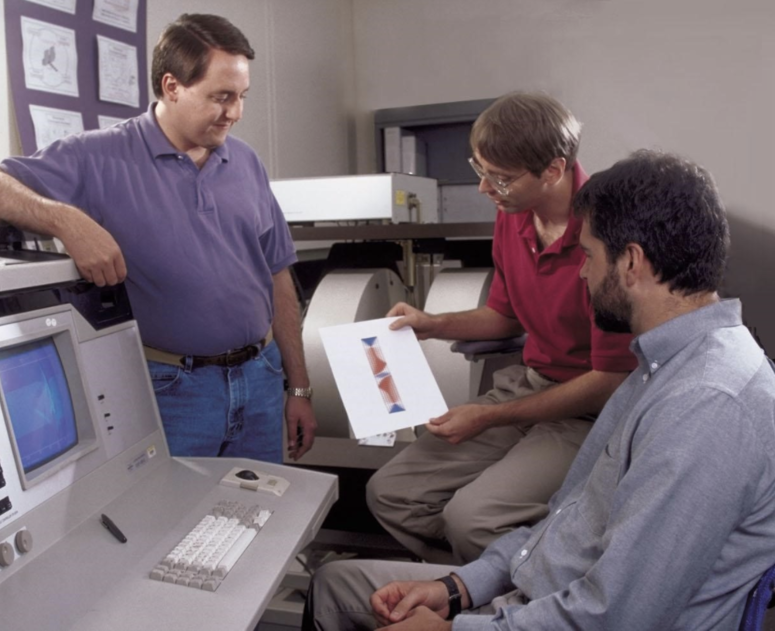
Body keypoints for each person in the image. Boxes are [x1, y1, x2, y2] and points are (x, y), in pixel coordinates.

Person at [304, 150, 775, 630]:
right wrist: (458, 587)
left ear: (631, 262)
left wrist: (454, 630)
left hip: (564, 616)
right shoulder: (659, 366)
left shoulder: (708, 404)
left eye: (588, 256)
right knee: (334, 586)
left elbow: (618, 616)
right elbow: (564, 521)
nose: (581, 273)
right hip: (536, 595)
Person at [0, 14, 316, 463]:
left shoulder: (245, 161)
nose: (235, 113)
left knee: (265, 521)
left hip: (261, 380)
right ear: (171, 86)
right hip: (172, 393)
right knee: (176, 528)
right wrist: (67, 220)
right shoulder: (98, 156)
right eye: (221, 97)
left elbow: (278, 275)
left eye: (242, 97)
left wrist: (298, 386)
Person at [367, 92, 636, 564]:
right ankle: (478, 588)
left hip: (588, 412)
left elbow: (607, 382)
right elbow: (505, 314)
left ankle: (527, 602)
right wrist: (431, 324)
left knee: (474, 519)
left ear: (553, 170)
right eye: (480, 170)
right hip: (527, 387)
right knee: (392, 493)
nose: (485, 188)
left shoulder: (606, 237)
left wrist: (489, 416)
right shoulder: (512, 215)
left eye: (501, 178)